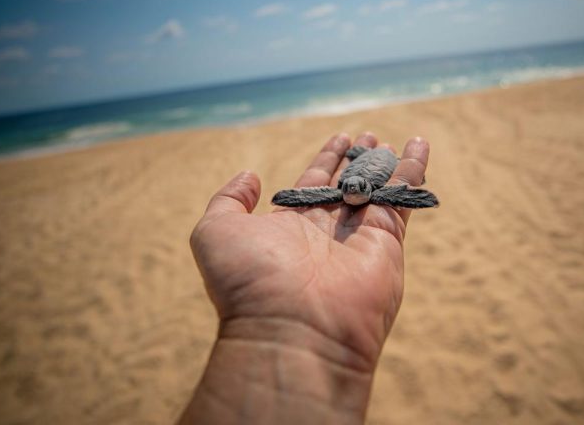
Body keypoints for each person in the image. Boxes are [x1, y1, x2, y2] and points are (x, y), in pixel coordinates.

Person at [178, 132, 431, 424]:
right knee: (342, 185)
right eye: (347, 188)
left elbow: (400, 194)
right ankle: (363, 156)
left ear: (368, 190)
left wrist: (409, 186)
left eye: (356, 189)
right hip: (361, 165)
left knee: (399, 180)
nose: (350, 192)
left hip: (381, 164)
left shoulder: (376, 191)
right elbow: (330, 192)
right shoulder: (344, 190)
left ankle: (381, 158)